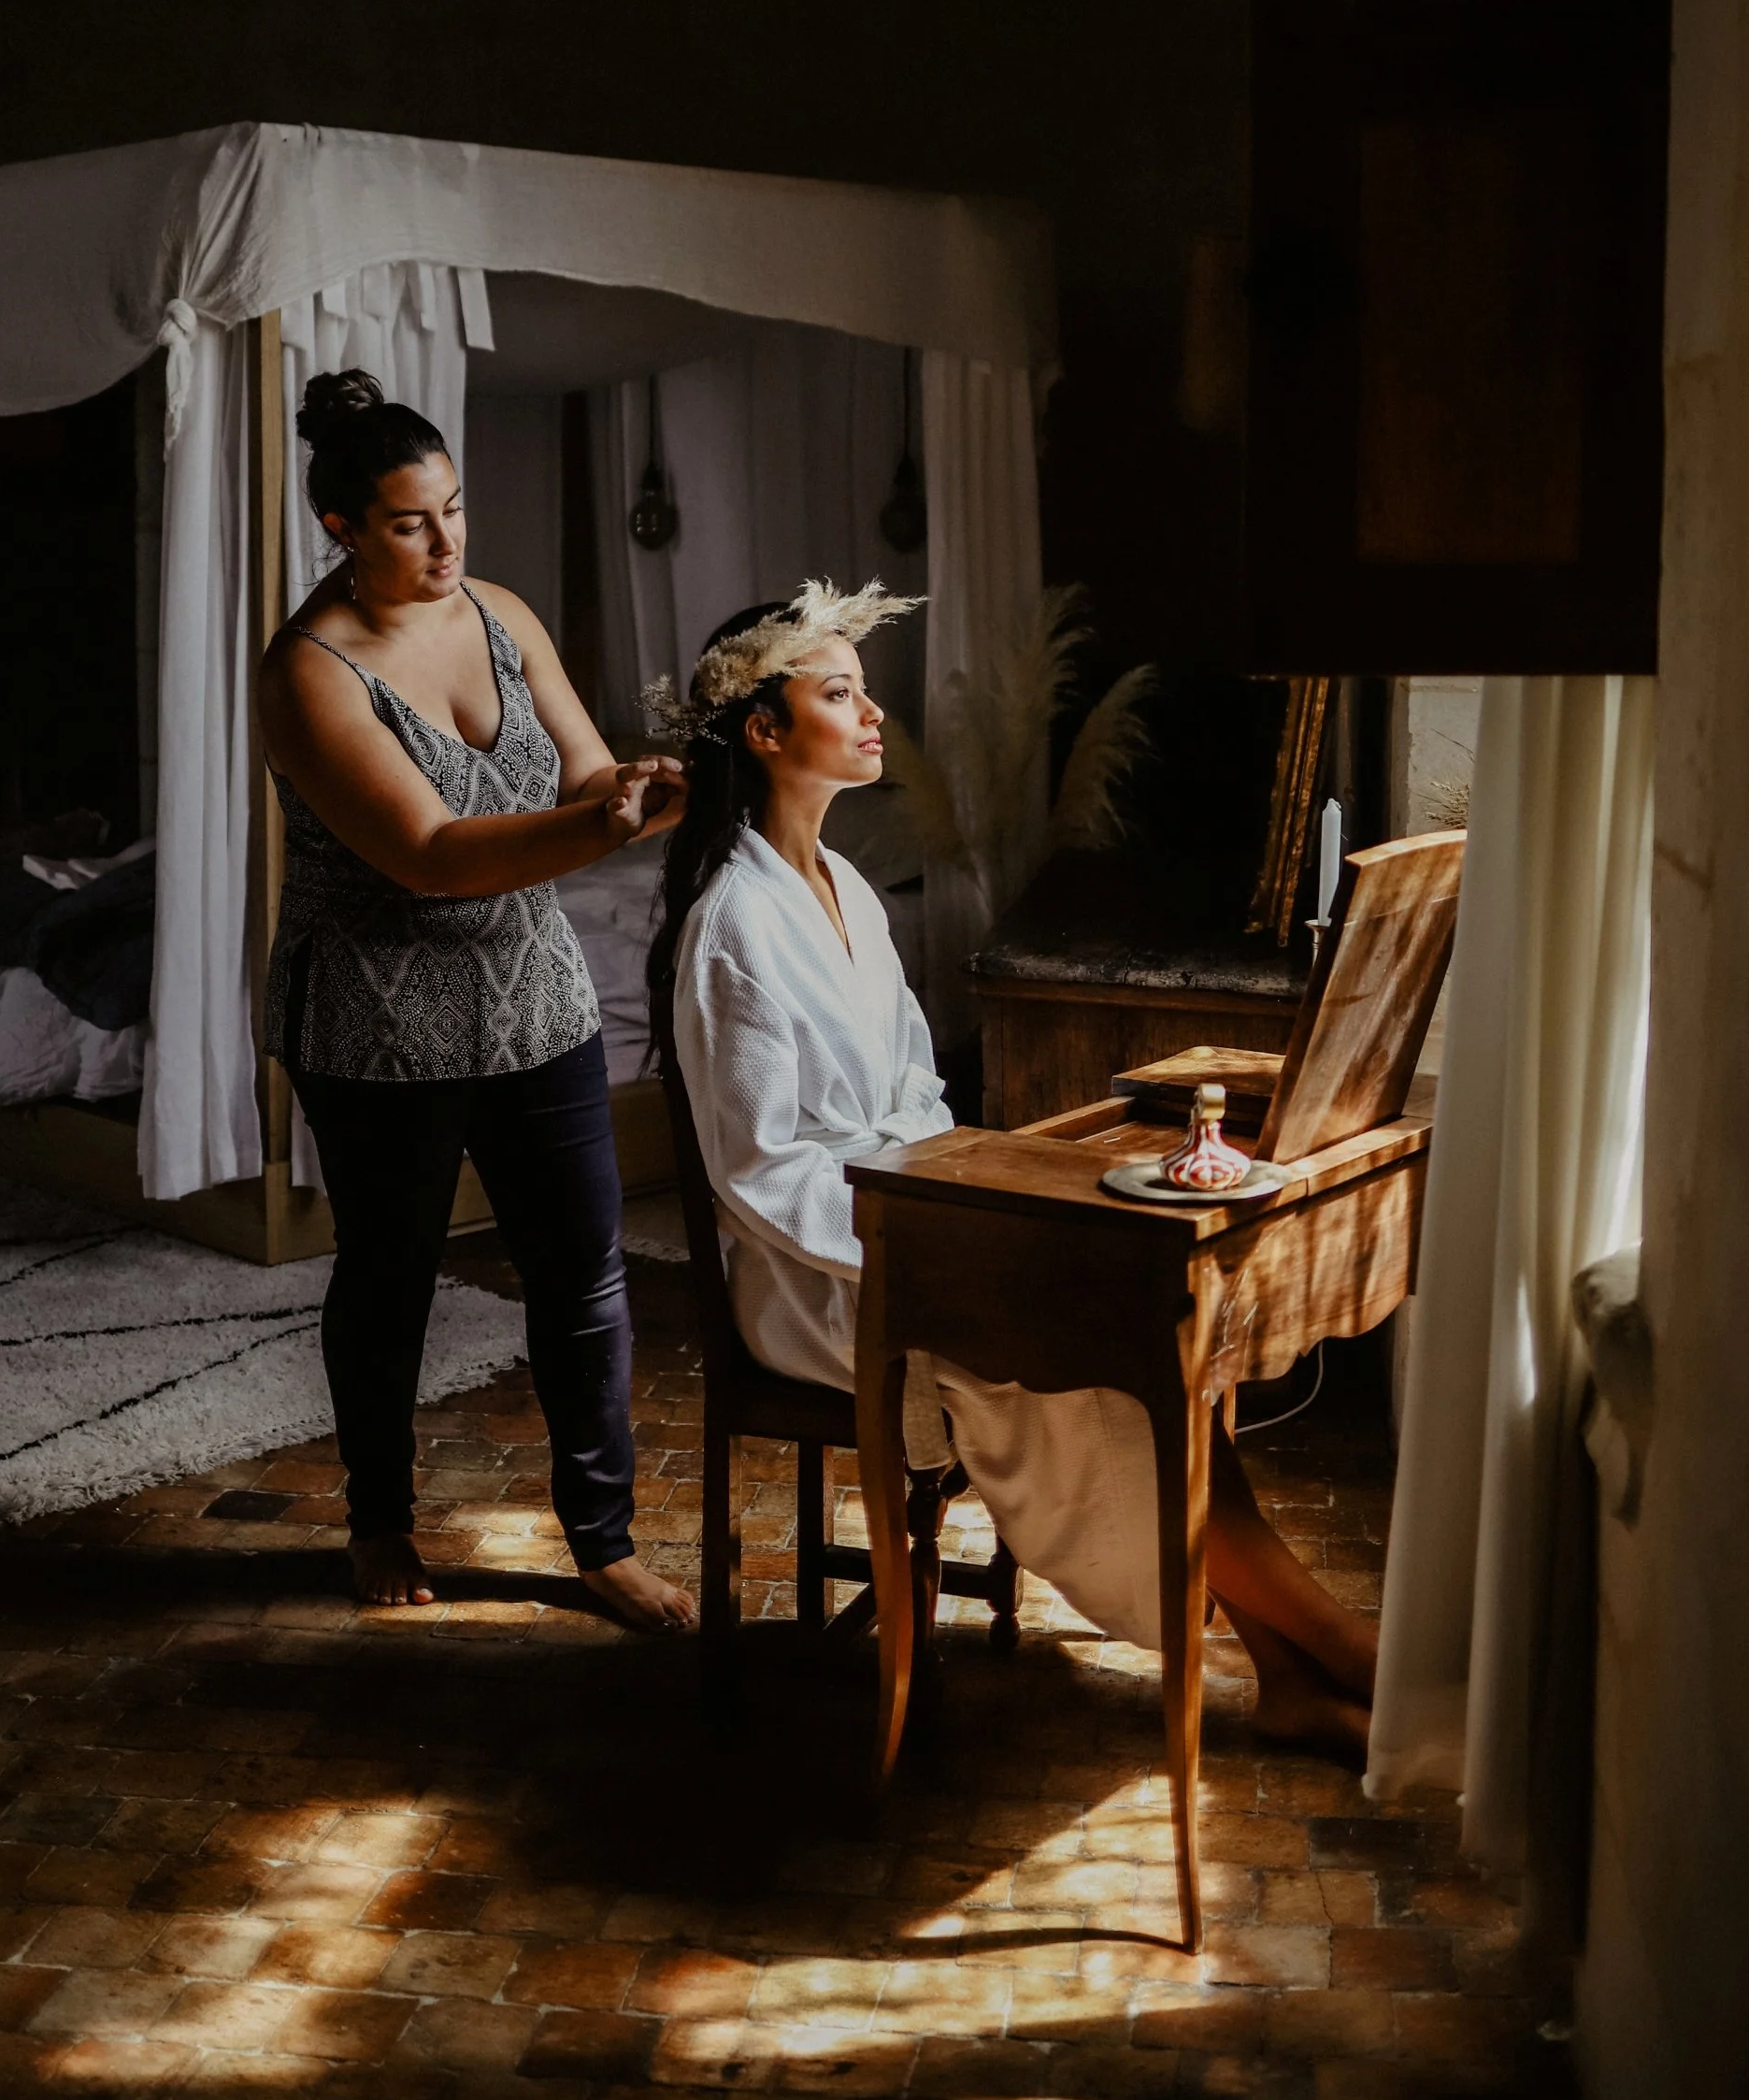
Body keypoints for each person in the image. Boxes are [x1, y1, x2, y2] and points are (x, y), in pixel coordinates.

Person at [648, 584, 1380, 1755]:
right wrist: (926, 1254)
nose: (873, 714)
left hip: (912, 1215)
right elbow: (759, 1168)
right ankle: (1342, 1651)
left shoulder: (846, 890)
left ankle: (1293, 1666)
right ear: (765, 731)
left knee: (1144, 1342)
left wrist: (963, 1203)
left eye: (863, 690)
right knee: (1084, 1358)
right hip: (821, 1275)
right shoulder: (731, 923)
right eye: (840, 694)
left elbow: (918, 1088)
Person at [257, 367, 694, 1628]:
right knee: (389, 1277)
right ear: (342, 527)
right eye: (409, 523)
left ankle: (602, 1542)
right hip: (377, 1017)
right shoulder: (309, 671)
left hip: (533, 993)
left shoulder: (499, 612)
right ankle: (379, 1521)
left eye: (452, 509)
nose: (446, 543)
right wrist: (600, 832)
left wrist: (632, 792)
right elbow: (430, 855)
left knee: (584, 1273)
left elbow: (584, 769)